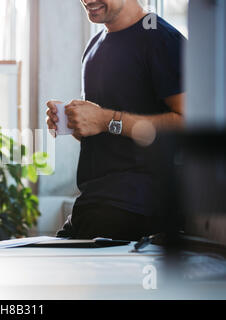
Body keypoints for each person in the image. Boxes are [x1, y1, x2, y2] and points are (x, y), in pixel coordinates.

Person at [46, 0, 186, 240]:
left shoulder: (162, 39)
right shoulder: (94, 46)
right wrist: (78, 124)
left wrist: (105, 120)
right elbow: (109, 133)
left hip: (138, 210)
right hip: (93, 204)